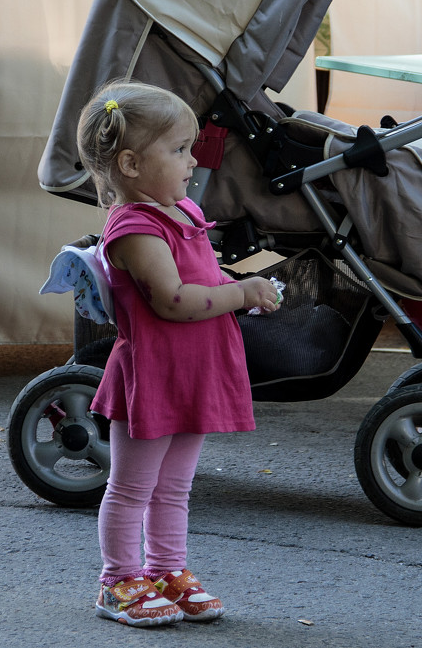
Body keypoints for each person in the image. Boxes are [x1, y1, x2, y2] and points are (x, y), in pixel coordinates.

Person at [76, 80, 282, 626]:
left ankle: (166, 570)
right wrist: (239, 294)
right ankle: (118, 582)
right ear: (131, 163)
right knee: (132, 487)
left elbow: (202, 276)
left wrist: (241, 285)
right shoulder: (135, 227)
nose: (193, 161)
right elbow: (171, 300)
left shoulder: (182, 209)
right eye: (179, 149)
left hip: (194, 371)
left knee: (175, 486)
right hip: (155, 374)